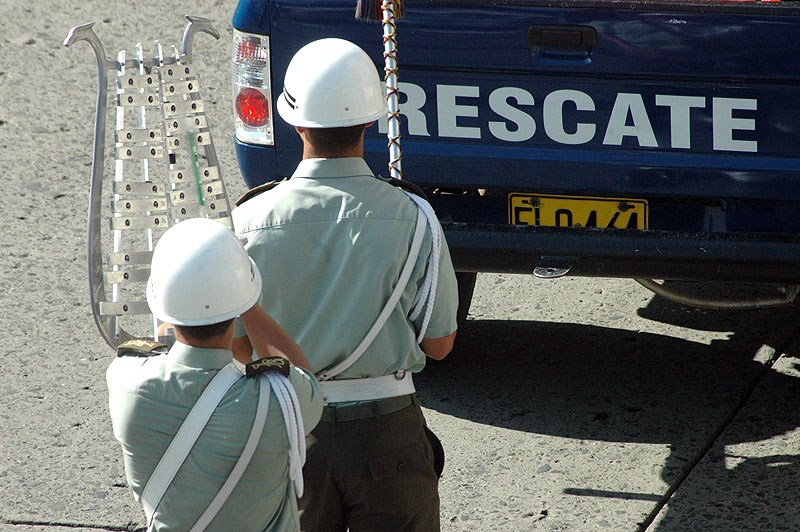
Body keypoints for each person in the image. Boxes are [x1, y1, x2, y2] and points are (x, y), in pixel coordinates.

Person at [231, 38, 459, 532]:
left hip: (292, 429)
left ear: (295, 122)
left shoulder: (247, 220)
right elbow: (439, 344)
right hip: (389, 432)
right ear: (371, 120)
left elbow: (236, 347)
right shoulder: (415, 215)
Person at [106, 217, 323, 532]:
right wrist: (246, 303)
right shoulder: (281, 398)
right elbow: (306, 382)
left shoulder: (125, 378)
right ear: (242, 298)